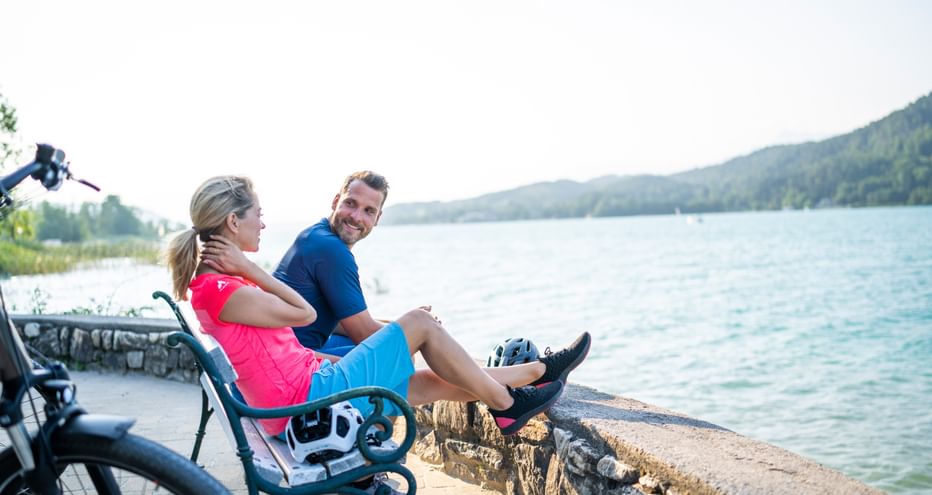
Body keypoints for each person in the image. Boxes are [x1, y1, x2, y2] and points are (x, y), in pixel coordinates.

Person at [166, 175, 591, 442]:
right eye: (258, 214)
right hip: (304, 402)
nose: (264, 222)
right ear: (232, 222)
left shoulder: (217, 285)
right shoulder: (226, 286)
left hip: (303, 385)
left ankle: (534, 374)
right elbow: (304, 315)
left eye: (369, 210)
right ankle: (507, 404)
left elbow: (275, 346)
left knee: (424, 383)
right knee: (422, 326)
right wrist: (250, 268)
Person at [272, 171, 394, 355]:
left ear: (377, 218)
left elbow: (335, 322)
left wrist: (397, 325)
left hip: (292, 349)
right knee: (396, 354)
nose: (356, 216)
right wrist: (414, 329)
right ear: (336, 201)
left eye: (369, 211)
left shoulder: (314, 234)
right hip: (293, 363)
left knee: (393, 338)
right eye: (350, 203)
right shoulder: (330, 249)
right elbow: (363, 332)